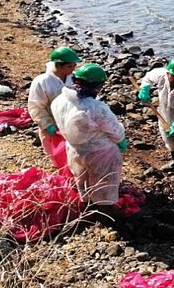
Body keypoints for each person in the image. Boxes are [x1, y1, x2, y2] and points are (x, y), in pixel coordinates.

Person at [51, 64, 128, 214]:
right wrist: (121, 141)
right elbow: (115, 131)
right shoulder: (95, 107)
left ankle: (87, 209)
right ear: (96, 86)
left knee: (82, 180)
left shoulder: (58, 100)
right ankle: (105, 217)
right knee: (104, 184)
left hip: (74, 149)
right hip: (101, 153)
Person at [27, 47, 81, 161]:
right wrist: (46, 124)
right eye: (70, 66)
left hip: (71, 121)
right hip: (52, 122)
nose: (73, 69)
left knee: (75, 152)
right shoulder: (42, 81)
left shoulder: (75, 78)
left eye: (74, 65)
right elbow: (36, 106)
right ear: (59, 65)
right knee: (55, 151)